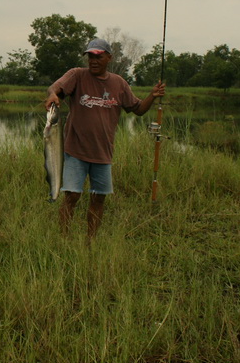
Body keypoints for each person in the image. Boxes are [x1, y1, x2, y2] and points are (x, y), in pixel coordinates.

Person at [44, 38, 166, 242]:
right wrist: (52, 95)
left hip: (103, 154)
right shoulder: (77, 75)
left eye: (98, 56)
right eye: (90, 56)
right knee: (72, 195)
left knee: (98, 198)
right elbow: (55, 88)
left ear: (109, 57)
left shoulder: (119, 83)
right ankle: (63, 240)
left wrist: (152, 96)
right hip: (75, 151)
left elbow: (138, 110)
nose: (93, 60)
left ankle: (90, 241)